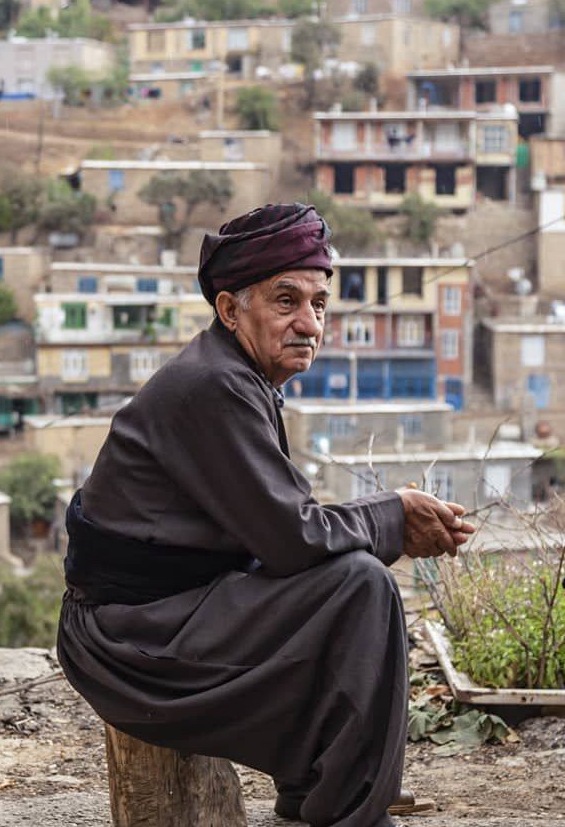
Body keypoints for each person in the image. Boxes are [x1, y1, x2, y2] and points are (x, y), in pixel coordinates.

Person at [56, 203, 474, 827]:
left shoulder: (238, 376)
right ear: (230, 310)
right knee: (360, 586)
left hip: (162, 617)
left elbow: (283, 528)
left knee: (342, 579)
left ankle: (325, 784)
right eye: (286, 301)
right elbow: (293, 539)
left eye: (320, 304)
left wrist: (389, 516)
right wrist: (394, 515)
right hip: (127, 640)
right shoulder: (215, 385)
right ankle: (349, 804)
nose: (310, 323)